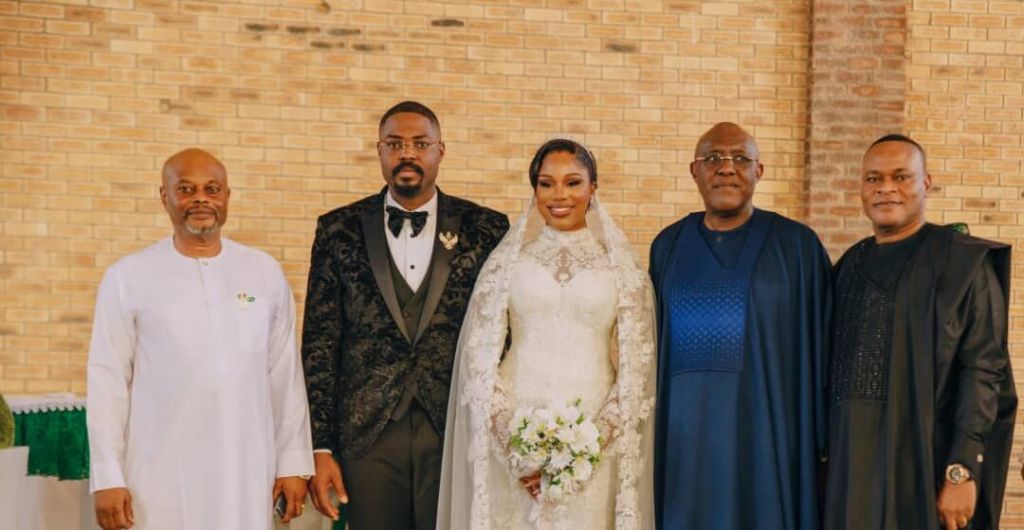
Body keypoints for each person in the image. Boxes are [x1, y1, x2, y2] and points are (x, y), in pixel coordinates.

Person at [302, 101, 509, 529]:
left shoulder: (487, 228)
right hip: (367, 433)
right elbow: (320, 342)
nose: (407, 153)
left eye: (420, 143)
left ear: (440, 151)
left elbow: (503, 335)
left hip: (453, 428)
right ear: (379, 151)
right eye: (394, 144)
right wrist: (320, 446)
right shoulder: (338, 228)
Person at [86, 148, 313, 530]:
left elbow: (285, 376)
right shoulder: (128, 277)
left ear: (227, 196)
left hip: (246, 468)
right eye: (186, 189)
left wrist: (292, 464)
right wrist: (108, 475)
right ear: (165, 197)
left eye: (212, 188)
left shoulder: (263, 272)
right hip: (158, 472)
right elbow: (107, 380)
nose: (201, 199)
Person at [437, 139, 657, 529]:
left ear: (593, 188)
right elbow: (479, 359)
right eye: (546, 183)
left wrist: (584, 453)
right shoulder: (507, 265)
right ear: (534, 189)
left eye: (573, 183)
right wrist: (515, 445)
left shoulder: (623, 271)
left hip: (594, 442)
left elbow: (636, 373)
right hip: (512, 440)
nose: (560, 195)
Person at [824, 134, 1016, 530]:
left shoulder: (961, 263)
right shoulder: (848, 267)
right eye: (873, 179)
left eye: (901, 177)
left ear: (925, 183)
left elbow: (983, 370)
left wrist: (962, 469)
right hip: (851, 466)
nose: (886, 189)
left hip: (923, 460)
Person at [650, 123, 831, 529]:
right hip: (686, 444)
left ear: (759, 171)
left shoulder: (798, 247)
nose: (726, 168)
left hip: (769, 437)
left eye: (740, 159)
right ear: (694, 171)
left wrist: (822, 444)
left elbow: (822, 351)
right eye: (713, 158)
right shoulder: (668, 247)